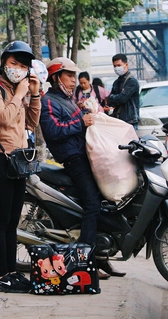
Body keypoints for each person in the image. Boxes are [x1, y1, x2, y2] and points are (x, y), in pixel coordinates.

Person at [39, 57, 125, 280]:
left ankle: (102, 258)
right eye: (69, 76)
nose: (73, 81)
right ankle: (84, 263)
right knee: (93, 205)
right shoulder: (48, 101)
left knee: (106, 204)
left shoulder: (69, 101)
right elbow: (54, 131)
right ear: (56, 78)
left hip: (87, 157)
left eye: (74, 76)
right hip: (74, 160)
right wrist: (81, 122)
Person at [0, 41, 41, 293]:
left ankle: (12, 273)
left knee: (13, 221)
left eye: (23, 65)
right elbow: (4, 119)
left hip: (16, 159)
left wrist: (34, 94)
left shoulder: (16, 90)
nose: (18, 69)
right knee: (0, 220)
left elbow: (31, 123)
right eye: (14, 63)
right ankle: (0, 276)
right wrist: (18, 95)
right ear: (4, 62)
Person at [106, 53, 140, 129]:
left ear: (126, 65)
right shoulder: (116, 82)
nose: (116, 68)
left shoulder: (132, 81)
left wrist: (113, 97)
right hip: (118, 120)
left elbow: (122, 98)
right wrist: (115, 97)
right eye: (114, 66)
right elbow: (109, 102)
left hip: (130, 121)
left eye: (119, 65)